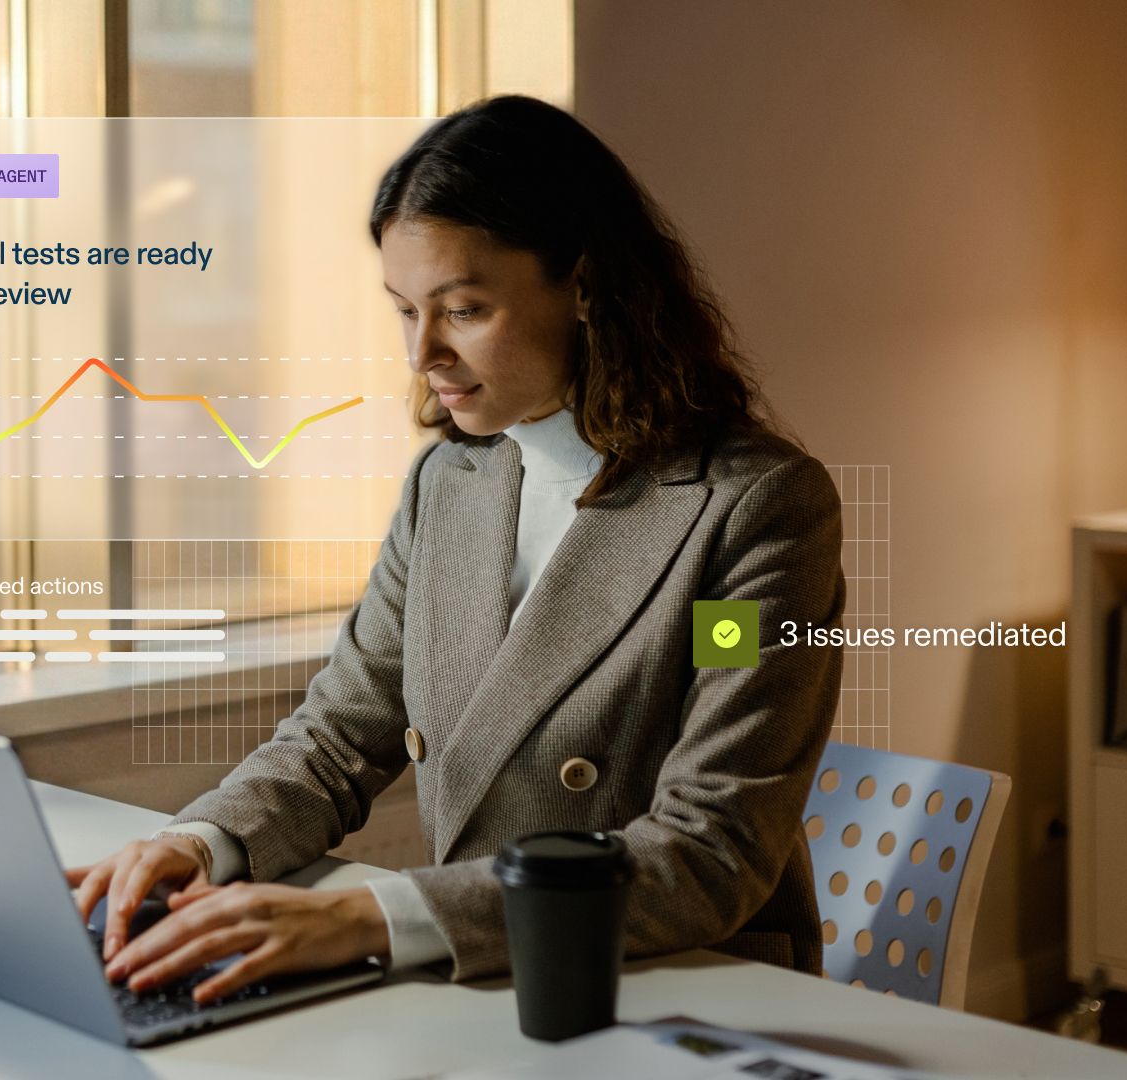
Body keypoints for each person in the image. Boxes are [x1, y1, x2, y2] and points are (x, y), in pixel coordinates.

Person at [66, 95, 845, 1004]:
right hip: (487, 972)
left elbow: (712, 849)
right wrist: (202, 843)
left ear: (588, 288)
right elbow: (338, 734)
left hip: (675, 989)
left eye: (464, 309)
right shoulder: (451, 486)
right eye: (406, 311)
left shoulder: (753, 509)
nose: (424, 353)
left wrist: (370, 921)